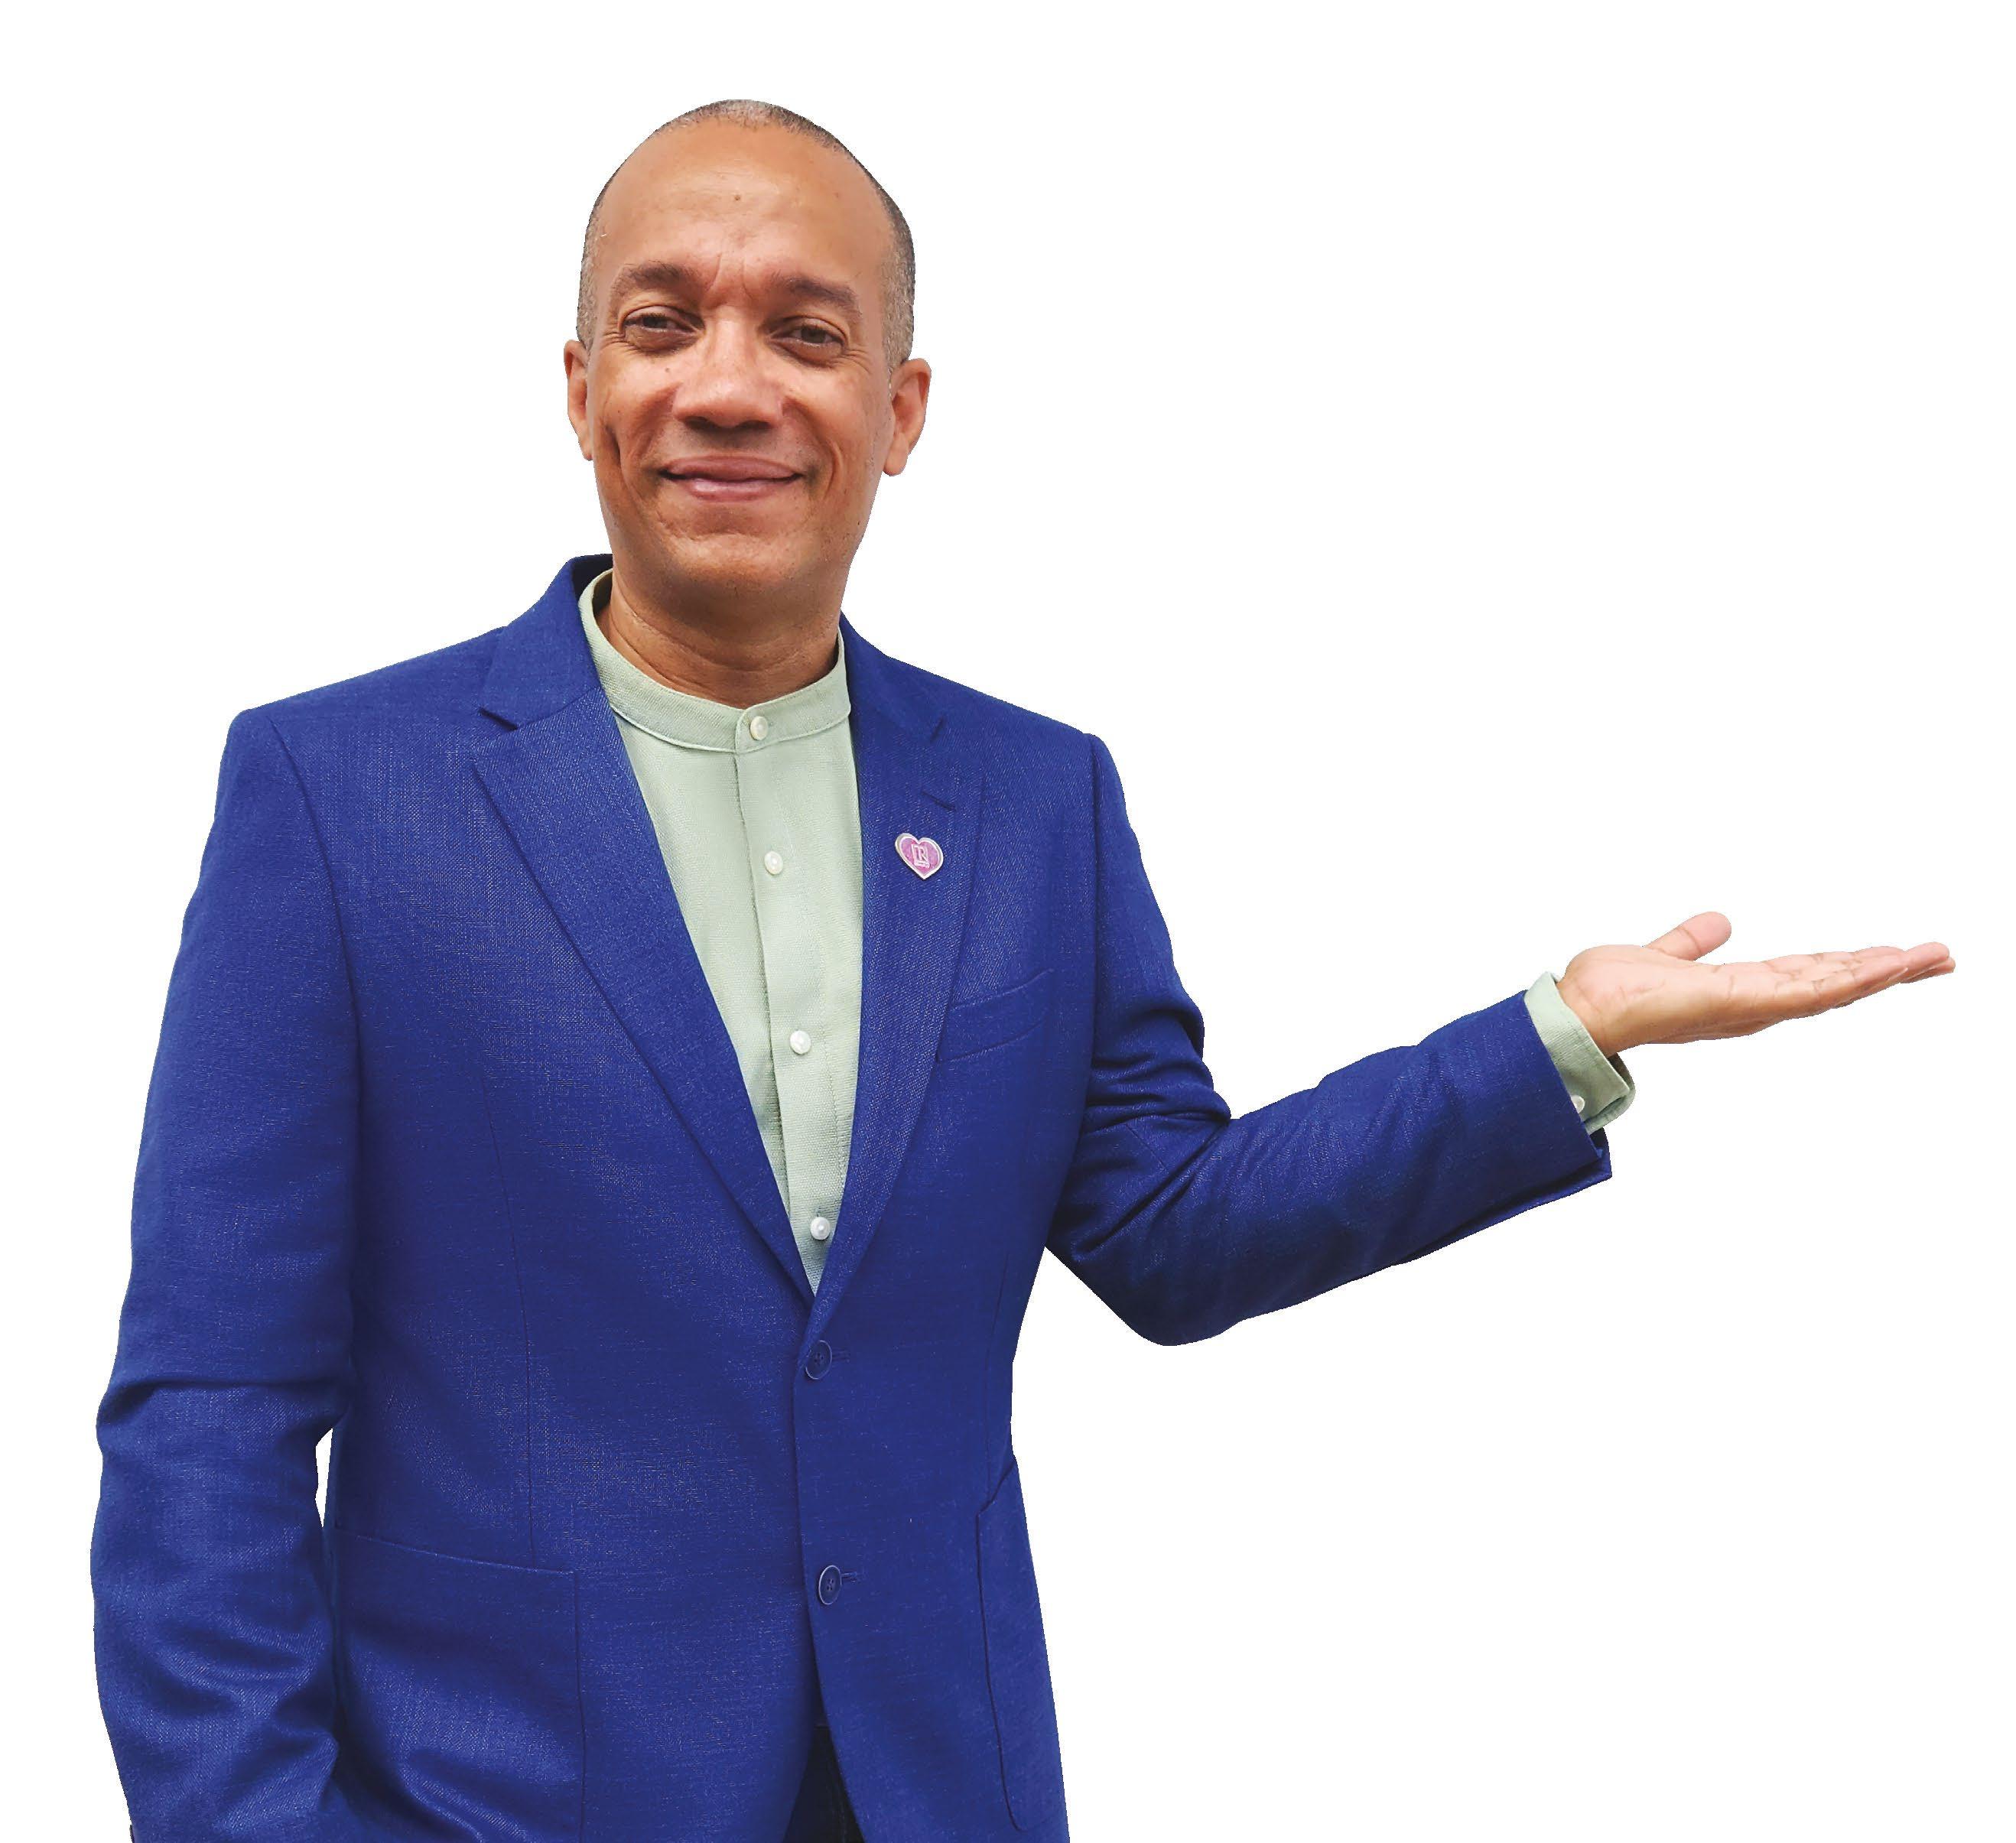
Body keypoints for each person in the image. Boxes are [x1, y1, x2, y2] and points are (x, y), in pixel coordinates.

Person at [89, 99, 1953, 1843]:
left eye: (805, 334)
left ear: (899, 407)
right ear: (582, 387)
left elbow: (1169, 1227)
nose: (727, 385)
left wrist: (1558, 1035)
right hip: (497, 1800)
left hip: (938, 1784)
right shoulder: (338, 796)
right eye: (663, 324)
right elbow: (210, 1416)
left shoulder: (1033, 802)